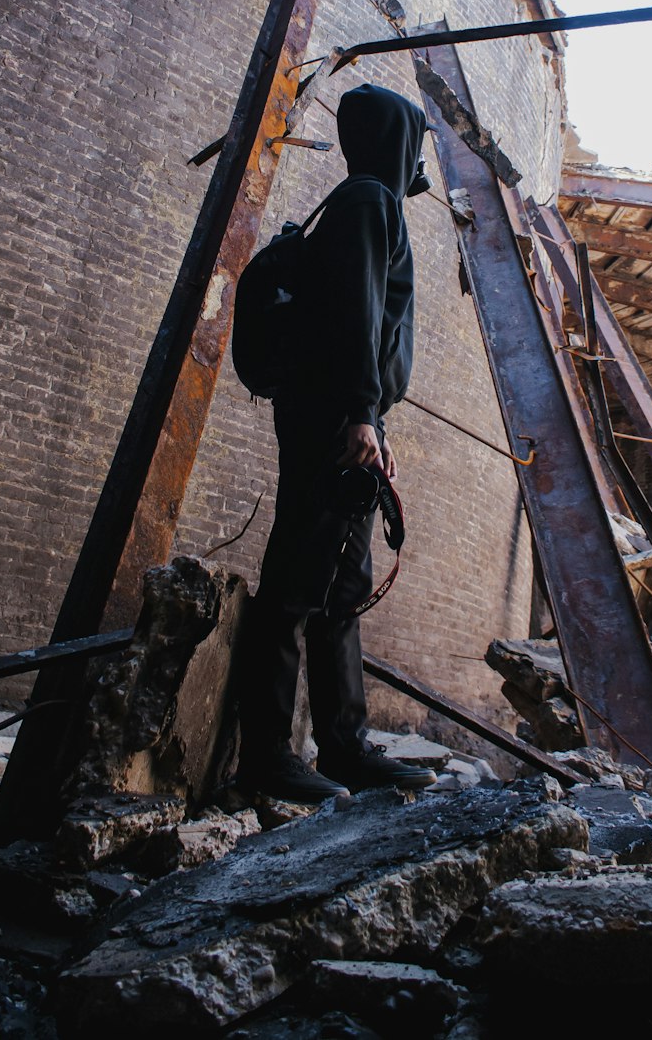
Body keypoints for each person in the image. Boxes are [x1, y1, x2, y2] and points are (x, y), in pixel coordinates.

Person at [237, 83, 437, 802]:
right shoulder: (369, 204)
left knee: (341, 587)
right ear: (399, 141)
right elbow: (357, 313)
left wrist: (372, 421)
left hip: (344, 418)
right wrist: (359, 414)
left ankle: (343, 747)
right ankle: (264, 755)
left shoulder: (358, 203)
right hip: (332, 418)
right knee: (295, 582)